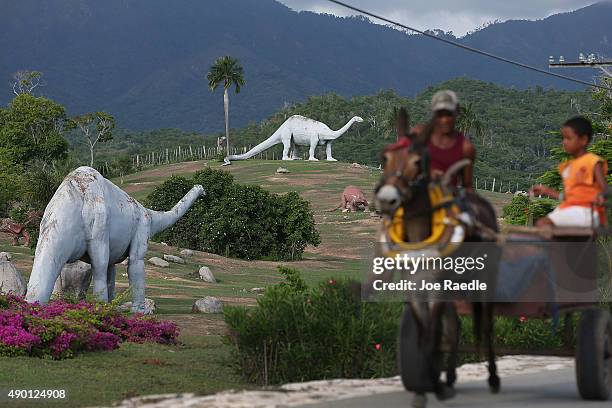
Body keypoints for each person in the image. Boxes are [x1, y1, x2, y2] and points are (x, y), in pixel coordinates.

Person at [530, 116, 608, 227]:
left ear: (583, 140)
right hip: (570, 209)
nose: (564, 142)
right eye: (563, 138)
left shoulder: (592, 161)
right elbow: (571, 197)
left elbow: (604, 188)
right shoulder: (567, 166)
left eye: (568, 138)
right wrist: (546, 191)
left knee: (543, 224)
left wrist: (601, 196)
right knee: (539, 223)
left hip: (586, 211)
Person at [427, 90, 476, 189]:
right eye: (440, 114)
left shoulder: (466, 148)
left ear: (456, 112)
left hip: (447, 198)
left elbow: (467, 186)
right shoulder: (421, 137)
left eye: (448, 114)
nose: (444, 120)